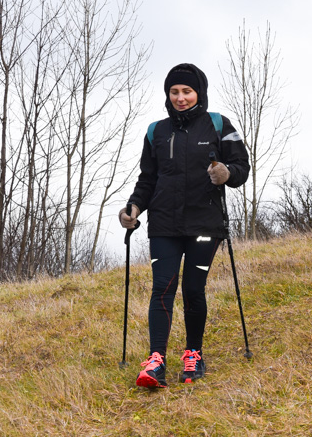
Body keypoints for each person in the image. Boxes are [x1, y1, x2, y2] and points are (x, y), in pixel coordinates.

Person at [119, 63, 250, 388]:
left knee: (193, 289)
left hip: (205, 221)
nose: (180, 97)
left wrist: (227, 174)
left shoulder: (219, 125)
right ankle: (156, 361)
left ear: (198, 93)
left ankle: (193, 353)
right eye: (174, 91)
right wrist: (133, 207)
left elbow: (242, 167)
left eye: (187, 91)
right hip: (163, 223)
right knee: (162, 288)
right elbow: (148, 179)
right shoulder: (156, 132)